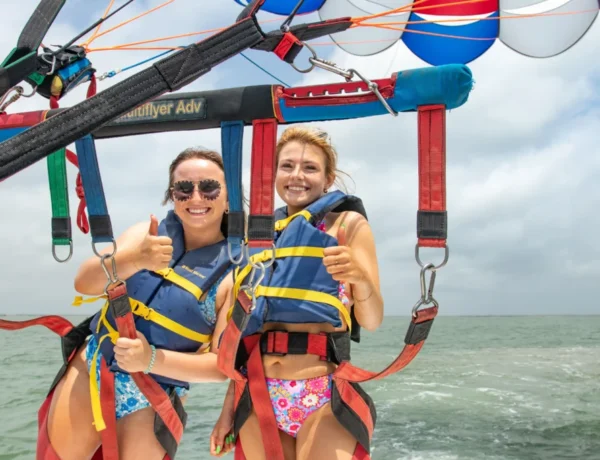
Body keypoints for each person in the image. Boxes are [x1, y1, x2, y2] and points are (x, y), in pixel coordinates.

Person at [45, 148, 237, 459]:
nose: (196, 197)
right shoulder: (143, 235)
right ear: (172, 196)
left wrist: (150, 359)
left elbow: (220, 368)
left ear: (229, 198)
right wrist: (135, 258)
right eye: (184, 189)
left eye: (210, 187)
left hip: (156, 392)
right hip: (94, 368)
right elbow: (84, 282)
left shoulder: (234, 273)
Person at [210, 126, 384, 459]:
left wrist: (359, 277)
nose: (297, 176)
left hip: (321, 391)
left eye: (310, 168)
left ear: (328, 177)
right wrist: (227, 410)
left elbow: (372, 320)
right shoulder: (256, 238)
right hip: (258, 389)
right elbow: (244, 340)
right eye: (286, 166)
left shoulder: (347, 225)